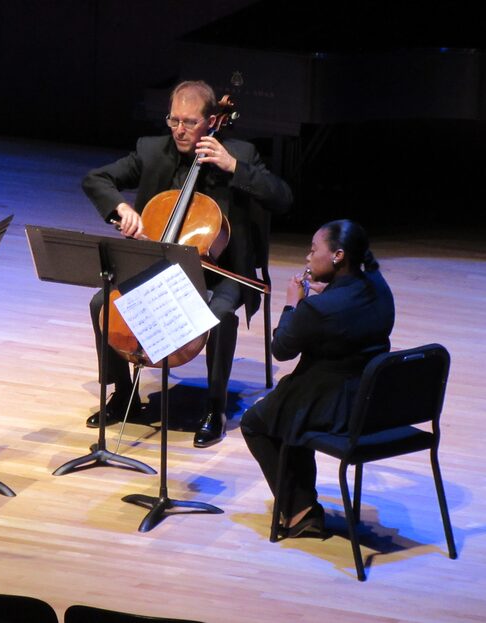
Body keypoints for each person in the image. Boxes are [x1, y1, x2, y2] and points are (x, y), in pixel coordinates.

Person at [82, 80, 293, 447]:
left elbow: (283, 198)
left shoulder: (241, 152)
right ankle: (123, 395)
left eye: (190, 122)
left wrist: (233, 167)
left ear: (212, 121)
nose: (179, 130)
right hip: (161, 266)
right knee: (102, 303)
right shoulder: (152, 150)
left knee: (220, 315)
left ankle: (215, 406)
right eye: (173, 120)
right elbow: (96, 178)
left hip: (221, 271)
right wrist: (121, 208)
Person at [240, 219, 395, 537]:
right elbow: (343, 318)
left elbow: (280, 349)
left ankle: (300, 510)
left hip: (331, 406)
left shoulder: (318, 310)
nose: (308, 258)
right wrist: (326, 297)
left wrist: (292, 303)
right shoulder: (378, 287)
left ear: (338, 256)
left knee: (256, 422)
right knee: (285, 411)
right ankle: (303, 504)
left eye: (313, 250)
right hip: (372, 402)